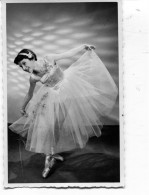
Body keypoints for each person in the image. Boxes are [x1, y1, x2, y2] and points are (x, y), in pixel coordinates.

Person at [9, 44, 118, 178]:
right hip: (52, 99)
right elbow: (29, 94)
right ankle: (48, 157)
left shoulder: (48, 59)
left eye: (24, 63)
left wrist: (83, 46)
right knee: (49, 128)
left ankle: (52, 152)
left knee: (57, 127)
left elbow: (68, 54)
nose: (24, 68)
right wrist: (23, 107)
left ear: (31, 57)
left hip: (68, 92)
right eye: (21, 66)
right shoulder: (33, 77)